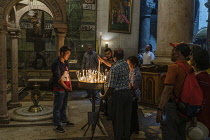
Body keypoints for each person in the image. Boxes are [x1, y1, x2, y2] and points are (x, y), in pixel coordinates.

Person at [156, 43, 192, 140]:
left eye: (172, 52)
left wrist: (159, 109)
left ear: (178, 53)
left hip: (172, 106)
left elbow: (167, 91)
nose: (171, 54)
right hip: (184, 105)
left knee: (169, 133)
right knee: (181, 134)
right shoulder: (189, 67)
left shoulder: (173, 67)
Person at [101, 48, 132, 140]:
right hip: (127, 93)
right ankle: (126, 136)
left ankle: (118, 137)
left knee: (118, 119)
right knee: (126, 119)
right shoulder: (126, 64)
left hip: (118, 95)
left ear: (114, 57)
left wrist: (104, 96)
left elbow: (111, 87)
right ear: (123, 56)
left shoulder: (115, 68)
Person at [51, 46, 74, 133]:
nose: (68, 55)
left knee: (64, 106)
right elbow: (58, 78)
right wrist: (65, 87)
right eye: (67, 54)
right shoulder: (56, 64)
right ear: (62, 53)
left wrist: (70, 85)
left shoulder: (66, 62)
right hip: (60, 88)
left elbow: (68, 74)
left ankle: (64, 120)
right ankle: (57, 125)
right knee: (58, 107)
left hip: (66, 88)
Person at [190, 48, 210, 137]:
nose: (190, 59)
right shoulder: (207, 76)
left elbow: (195, 98)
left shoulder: (197, 78)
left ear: (195, 61)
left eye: (191, 57)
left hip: (198, 114)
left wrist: (193, 115)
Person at [98, 48, 114, 119]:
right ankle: (104, 110)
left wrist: (103, 60)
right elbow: (100, 64)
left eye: (108, 54)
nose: (107, 55)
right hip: (105, 79)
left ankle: (110, 113)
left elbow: (110, 64)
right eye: (106, 54)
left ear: (111, 53)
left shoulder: (114, 60)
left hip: (111, 80)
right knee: (104, 96)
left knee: (109, 97)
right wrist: (100, 61)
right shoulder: (104, 59)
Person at [126, 56, 141, 134]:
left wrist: (126, 84)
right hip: (132, 93)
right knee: (132, 112)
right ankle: (134, 128)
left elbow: (133, 85)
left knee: (132, 112)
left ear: (134, 64)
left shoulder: (135, 72)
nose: (128, 66)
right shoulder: (132, 71)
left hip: (133, 94)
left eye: (129, 64)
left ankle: (132, 129)